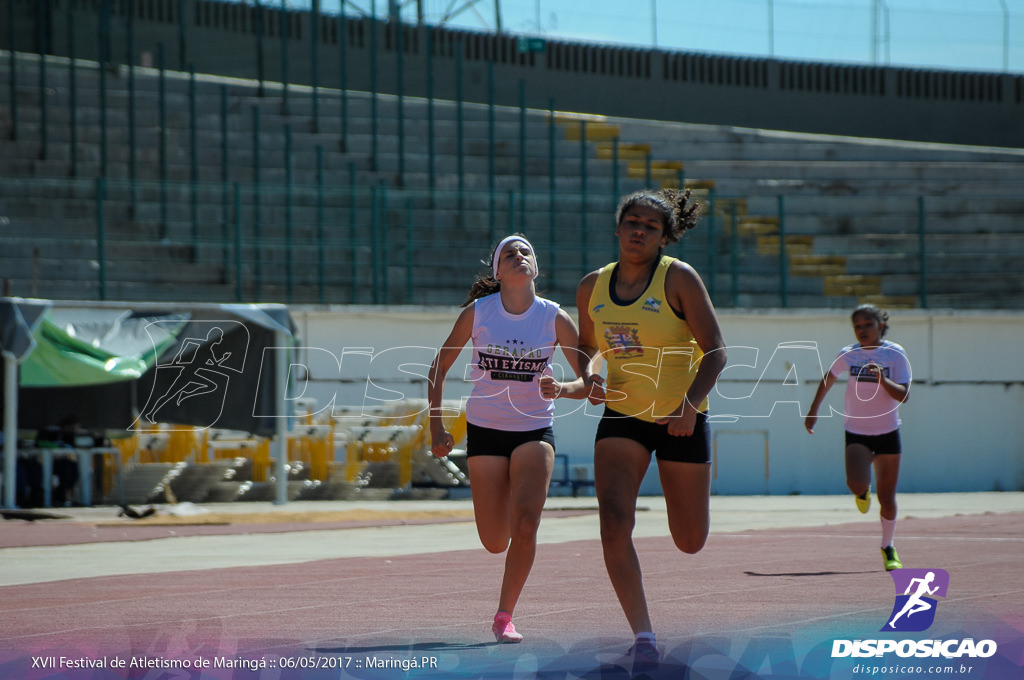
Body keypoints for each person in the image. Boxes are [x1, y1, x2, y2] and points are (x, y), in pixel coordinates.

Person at [575, 188, 727, 670]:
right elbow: (586, 350)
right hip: (623, 416)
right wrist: (592, 376)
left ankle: (689, 513)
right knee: (614, 523)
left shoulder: (678, 279)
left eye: (650, 226)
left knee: (690, 540)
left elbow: (717, 351)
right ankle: (643, 635)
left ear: (664, 238)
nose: (639, 230)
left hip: (681, 417)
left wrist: (689, 406)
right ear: (617, 228)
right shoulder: (591, 287)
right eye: (632, 222)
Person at [428, 234, 591, 644]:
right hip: (485, 430)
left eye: (527, 252)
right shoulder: (478, 313)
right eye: (509, 254)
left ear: (535, 268)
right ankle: (499, 553)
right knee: (494, 540)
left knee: (527, 522)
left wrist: (563, 388)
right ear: (497, 272)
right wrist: (436, 426)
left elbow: (589, 382)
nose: (520, 256)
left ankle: (504, 615)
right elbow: (438, 366)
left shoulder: (554, 318)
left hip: (535, 429)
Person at [804, 304, 911, 572]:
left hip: (888, 433)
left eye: (868, 325)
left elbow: (904, 395)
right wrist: (813, 410)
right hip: (857, 432)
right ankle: (862, 491)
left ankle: (888, 547)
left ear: (881, 326)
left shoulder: (895, 354)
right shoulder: (848, 355)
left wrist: (882, 380)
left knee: (887, 499)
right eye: (858, 326)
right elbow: (828, 379)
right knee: (855, 483)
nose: (862, 330)